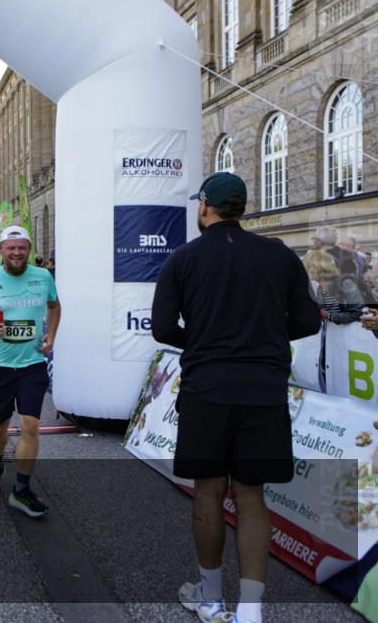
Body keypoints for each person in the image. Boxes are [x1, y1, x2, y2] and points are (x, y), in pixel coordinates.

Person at [150, 172, 321, 623]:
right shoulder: (280, 256)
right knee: (251, 496)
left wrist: (209, 340)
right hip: (262, 391)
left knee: (208, 491)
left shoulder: (182, 259)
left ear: (204, 207)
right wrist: (260, 339)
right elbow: (307, 322)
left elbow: (164, 329)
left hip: (207, 389)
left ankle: (211, 598)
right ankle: (250, 610)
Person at [0, 225, 60, 519]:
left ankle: (21, 490)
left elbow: (55, 306)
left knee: (31, 425)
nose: (17, 252)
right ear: (1, 250)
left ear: (29, 249)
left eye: (22, 247)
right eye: (11, 247)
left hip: (31, 364)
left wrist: (52, 335)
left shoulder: (43, 277)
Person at [302, 249, 365, 325]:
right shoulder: (320, 288)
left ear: (315, 269)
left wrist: (329, 315)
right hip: (334, 334)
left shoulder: (345, 283)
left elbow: (358, 313)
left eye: (306, 268)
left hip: (351, 334)